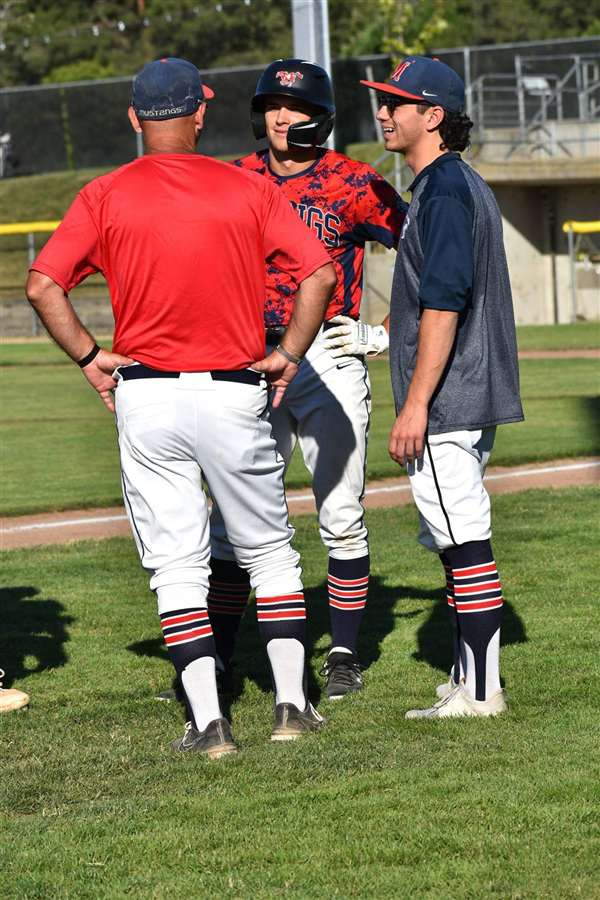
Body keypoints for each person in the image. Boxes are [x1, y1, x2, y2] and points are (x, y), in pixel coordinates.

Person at [25, 57, 336, 756]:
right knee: (268, 552)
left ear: (134, 118)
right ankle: (292, 708)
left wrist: (89, 357)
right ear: (200, 112)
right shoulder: (247, 188)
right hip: (232, 390)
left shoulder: (104, 193)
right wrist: (289, 352)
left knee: (176, 564)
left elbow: (43, 285)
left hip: (147, 394)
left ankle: (208, 723)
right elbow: (318, 272)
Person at [207, 59, 406, 701]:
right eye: (272, 105)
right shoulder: (233, 178)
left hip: (327, 353)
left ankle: (343, 653)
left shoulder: (354, 181)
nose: (281, 116)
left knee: (341, 514)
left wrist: (384, 331)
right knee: (229, 518)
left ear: (320, 117)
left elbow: (429, 252)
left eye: (293, 107)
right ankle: (215, 660)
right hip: (249, 355)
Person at [361, 57, 524, 718]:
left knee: (464, 539)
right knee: (455, 538)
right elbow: (431, 294)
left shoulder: (446, 190)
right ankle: (467, 677)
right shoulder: (446, 183)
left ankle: (482, 692)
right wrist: (380, 336)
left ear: (433, 116)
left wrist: (416, 405)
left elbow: (446, 302)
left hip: (450, 397)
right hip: (459, 391)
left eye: (396, 102)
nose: (383, 112)